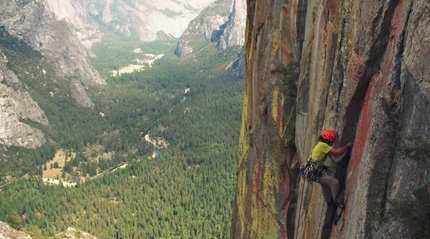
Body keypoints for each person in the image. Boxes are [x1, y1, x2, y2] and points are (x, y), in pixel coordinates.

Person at [308, 129, 352, 207]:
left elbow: (336, 160)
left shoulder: (324, 148)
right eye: (332, 141)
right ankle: (338, 200)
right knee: (335, 182)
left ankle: (329, 202)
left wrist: (345, 152)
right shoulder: (322, 145)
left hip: (313, 171)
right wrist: (347, 146)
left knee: (325, 185)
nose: (333, 143)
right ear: (329, 140)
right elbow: (338, 151)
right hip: (313, 171)